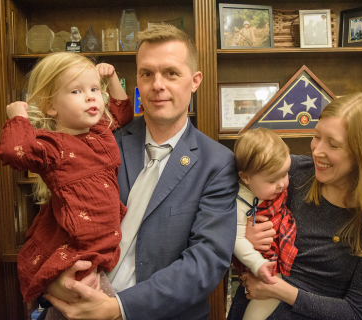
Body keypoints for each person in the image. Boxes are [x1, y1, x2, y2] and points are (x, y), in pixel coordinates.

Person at [43, 24, 239, 320]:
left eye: (171, 73)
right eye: (147, 74)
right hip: (73, 306)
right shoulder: (100, 142)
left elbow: (206, 260)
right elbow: (55, 219)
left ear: (195, 80)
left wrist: (117, 308)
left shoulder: (218, 163)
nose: (157, 85)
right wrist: (55, 277)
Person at [228, 92, 362, 320]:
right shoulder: (290, 173)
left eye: (333, 145)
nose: (317, 151)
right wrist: (239, 236)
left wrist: (279, 290)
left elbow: (355, 312)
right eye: (316, 136)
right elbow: (222, 207)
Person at [0, 53, 133, 305]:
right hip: (78, 246)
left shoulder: (101, 130)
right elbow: (14, 151)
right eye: (76, 91)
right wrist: (18, 116)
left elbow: (123, 113)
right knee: (85, 303)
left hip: (104, 242)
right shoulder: (52, 145)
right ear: (51, 106)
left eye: (94, 89)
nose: (91, 96)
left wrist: (111, 78)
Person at [232, 128, 297, 320]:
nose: (282, 184)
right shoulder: (240, 202)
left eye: (285, 173)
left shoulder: (273, 186)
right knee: (269, 294)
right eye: (273, 180)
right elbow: (235, 239)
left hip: (278, 250)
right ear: (246, 178)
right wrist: (258, 263)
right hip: (261, 262)